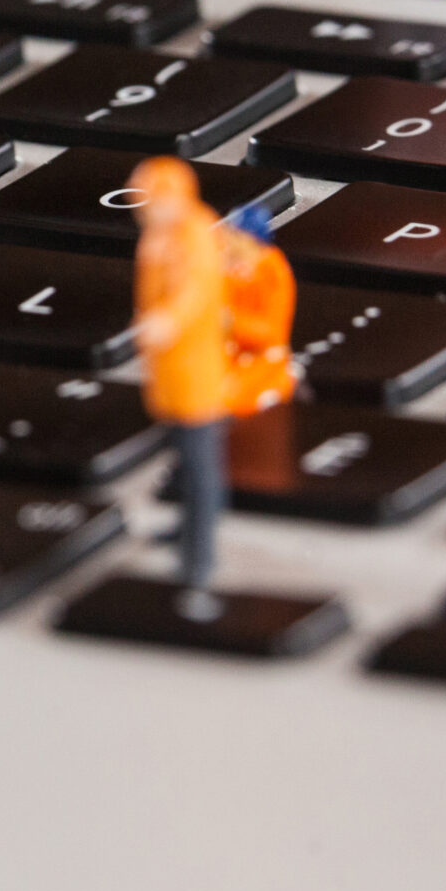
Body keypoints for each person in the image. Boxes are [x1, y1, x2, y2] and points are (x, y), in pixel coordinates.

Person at [132, 157, 232, 587]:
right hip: (169, 374)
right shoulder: (161, 233)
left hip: (194, 377)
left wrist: (167, 320)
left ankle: (200, 556)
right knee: (181, 465)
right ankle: (184, 529)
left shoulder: (195, 235)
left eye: (152, 198)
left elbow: (196, 289)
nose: (144, 206)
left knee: (199, 466)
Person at [221, 203, 300, 417]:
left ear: (250, 240)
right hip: (230, 353)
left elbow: (271, 332)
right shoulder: (228, 267)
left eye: (235, 235)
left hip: (262, 360)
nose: (227, 240)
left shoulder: (272, 272)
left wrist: (231, 323)